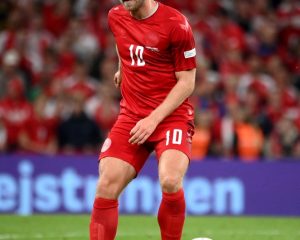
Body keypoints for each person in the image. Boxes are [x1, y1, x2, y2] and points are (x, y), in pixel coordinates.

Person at [90, 0, 196, 239]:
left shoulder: (176, 24)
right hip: (132, 116)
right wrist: (122, 67)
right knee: (106, 184)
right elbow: (122, 43)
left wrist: (153, 119)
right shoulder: (115, 16)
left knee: (170, 181)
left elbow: (187, 82)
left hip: (171, 117)